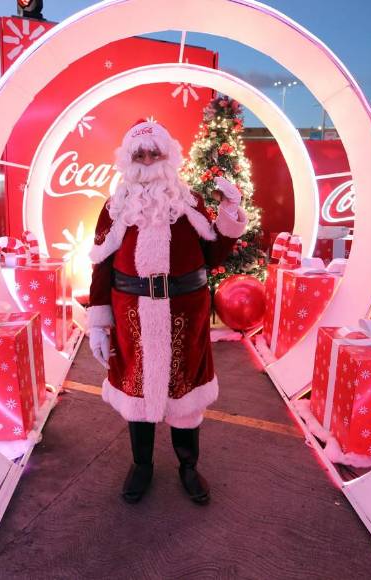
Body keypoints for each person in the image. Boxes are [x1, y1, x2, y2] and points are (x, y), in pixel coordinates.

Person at [87, 120, 246, 505]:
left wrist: (230, 210)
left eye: (153, 152)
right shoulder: (114, 208)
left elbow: (214, 255)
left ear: (167, 156)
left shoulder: (189, 203)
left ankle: (188, 466)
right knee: (137, 392)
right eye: (138, 154)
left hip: (185, 313)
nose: (146, 160)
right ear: (128, 159)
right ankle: (142, 465)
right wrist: (98, 324)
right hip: (131, 316)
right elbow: (101, 268)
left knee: (185, 395)